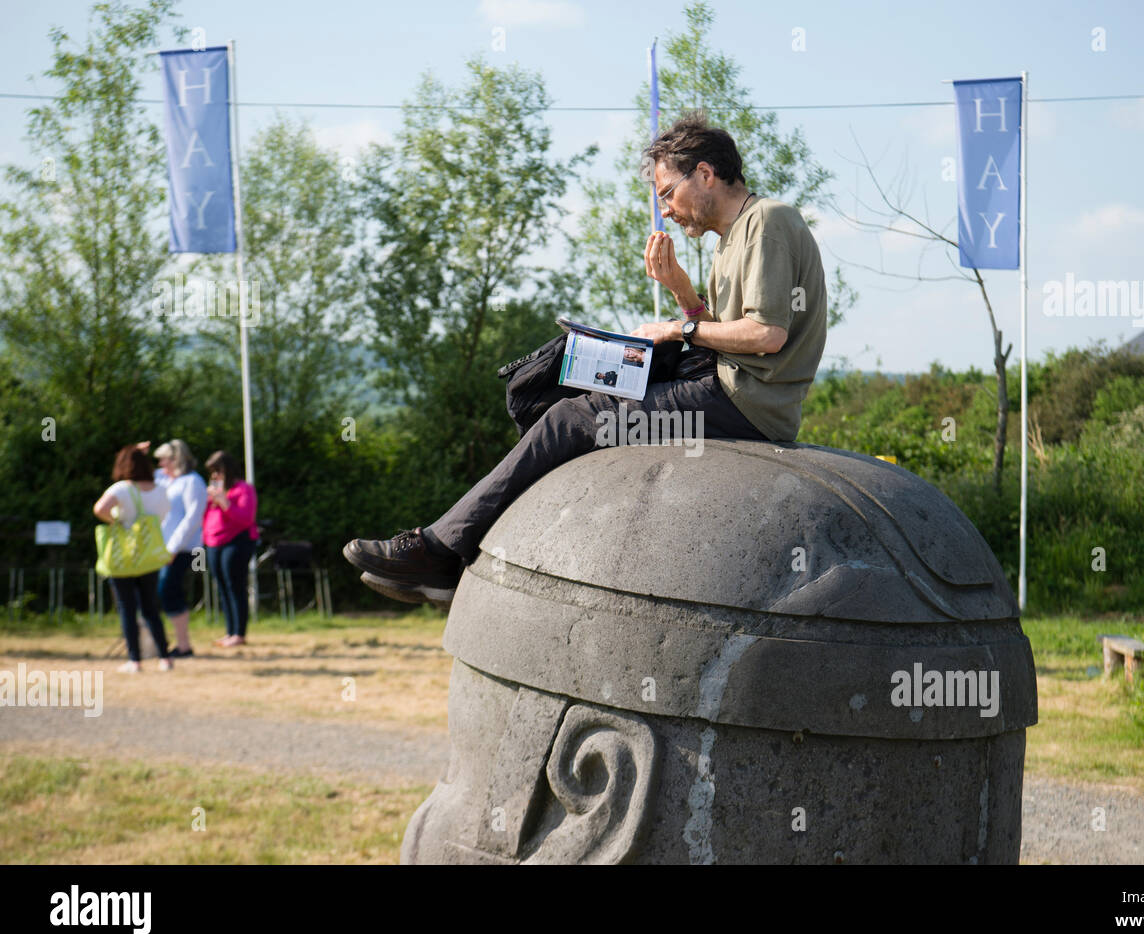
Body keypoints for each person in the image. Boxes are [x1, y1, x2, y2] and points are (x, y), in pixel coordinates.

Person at [343, 111, 828, 607]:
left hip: (744, 403)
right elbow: (722, 332)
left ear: (704, 174)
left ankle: (440, 551)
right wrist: (681, 292)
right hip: (722, 386)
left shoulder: (767, 221)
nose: (666, 210)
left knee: (573, 420)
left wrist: (677, 327)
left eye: (666, 193)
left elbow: (767, 335)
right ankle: (455, 549)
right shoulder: (730, 242)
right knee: (565, 386)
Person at [93, 445, 173, 672]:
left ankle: (134, 660)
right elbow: (164, 514)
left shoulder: (122, 489)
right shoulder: (160, 490)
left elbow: (100, 509)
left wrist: (117, 522)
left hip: (124, 558)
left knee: (127, 608)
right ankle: (164, 658)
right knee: (151, 608)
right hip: (149, 556)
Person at [154, 440, 206, 657]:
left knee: (168, 590)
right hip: (160, 548)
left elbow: (192, 517)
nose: (160, 464)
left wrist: (173, 547)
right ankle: (159, 643)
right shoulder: (165, 480)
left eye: (163, 459)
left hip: (183, 549)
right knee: (160, 592)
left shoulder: (192, 482)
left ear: (175, 459)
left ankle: (184, 645)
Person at [203, 450, 259, 648]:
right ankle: (229, 631)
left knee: (235, 585)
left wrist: (224, 502)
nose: (214, 476)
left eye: (217, 471)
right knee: (223, 587)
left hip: (237, 541)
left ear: (227, 470)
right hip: (213, 542)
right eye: (212, 472)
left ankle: (239, 633)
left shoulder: (244, 489)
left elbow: (246, 518)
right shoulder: (215, 491)